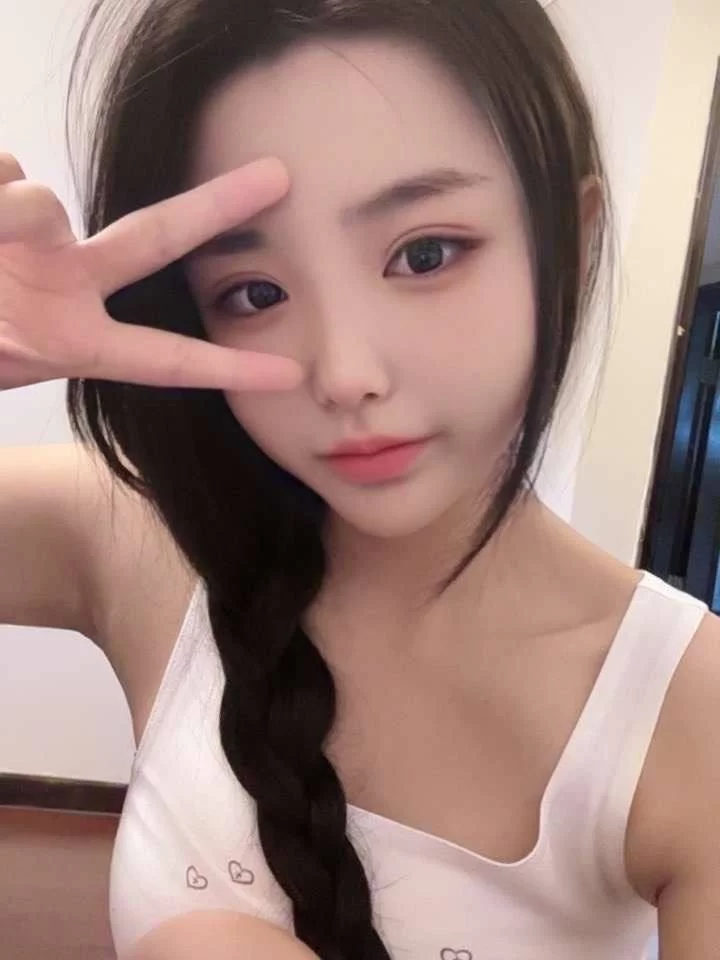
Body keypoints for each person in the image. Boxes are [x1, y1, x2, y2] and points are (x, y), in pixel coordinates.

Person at [1, 0, 718, 958]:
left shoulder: (685, 712)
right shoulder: (139, 535)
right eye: (254, 293)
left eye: (425, 254)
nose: (345, 374)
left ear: (571, 248)